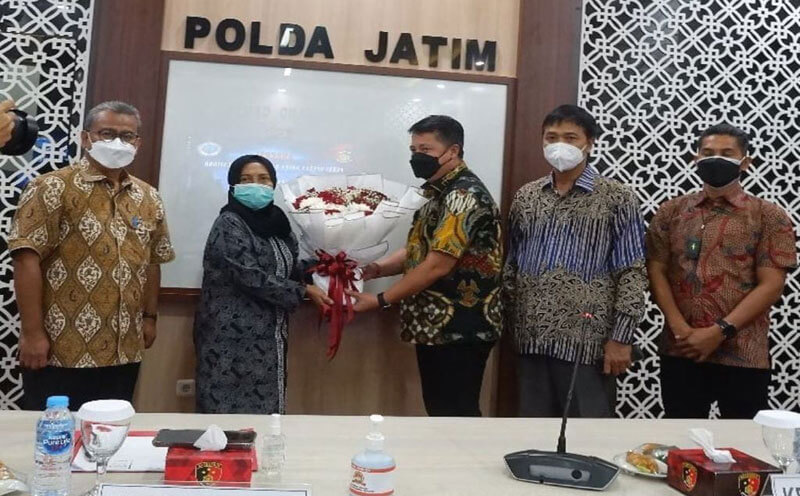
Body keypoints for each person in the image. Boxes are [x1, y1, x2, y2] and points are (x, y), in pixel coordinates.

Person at [9, 100, 175, 410]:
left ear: (137, 143)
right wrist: (32, 333)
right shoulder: (51, 187)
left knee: (112, 431)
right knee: (56, 433)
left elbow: (153, 261)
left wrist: (150, 318)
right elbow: (25, 259)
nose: (117, 142)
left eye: (127, 136)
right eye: (107, 133)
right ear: (86, 138)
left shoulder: (149, 197)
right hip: (61, 348)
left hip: (124, 348)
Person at [350, 115, 503, 417]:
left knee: (456, 415)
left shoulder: (463, 196)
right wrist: (377, 269)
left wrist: (380, 299)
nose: (417, 157)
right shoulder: (437, 192)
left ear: (453, 151)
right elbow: (420, 250)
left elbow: (437, 265)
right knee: (439, 412)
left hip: (460, 325)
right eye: (413, 150)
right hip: (434, 324)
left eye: (425, 149)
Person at [504, 105, 647, 417]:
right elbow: (512, 266)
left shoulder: (616, 197)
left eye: (570, 138)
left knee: (587, 432)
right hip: (532, 339)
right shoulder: (527, 196)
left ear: (589, 143)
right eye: (551, 137)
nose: (560, 145)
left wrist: (621, 338)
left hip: (587, 342)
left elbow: (632, 272)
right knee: (533, 432)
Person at [646, 123, 797, 419]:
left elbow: (771, 284)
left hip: (743, 352)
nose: (716, 159)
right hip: (682, 349)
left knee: (743, 441)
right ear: (696, 159)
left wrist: (720, 331)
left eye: (727, 153)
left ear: (745, 162)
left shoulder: (769, 216)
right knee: (682, 437)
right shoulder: (671, 212)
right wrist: (679, 328)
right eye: (708, 152)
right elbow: (655, 269)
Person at [193, 155, 331, 414]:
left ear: (273, 184)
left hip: (269, 334)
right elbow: (248, 274)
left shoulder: (278, 224)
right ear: (233, 186)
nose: (255, 185)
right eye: (246, 180)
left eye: (263, 179)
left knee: (267, 409)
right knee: (226, 408)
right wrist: (303, 290)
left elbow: (285, 267)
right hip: (229, 336)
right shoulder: (229, 223)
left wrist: (325, 266)